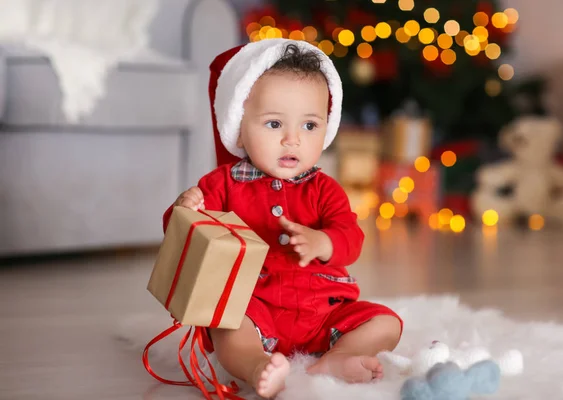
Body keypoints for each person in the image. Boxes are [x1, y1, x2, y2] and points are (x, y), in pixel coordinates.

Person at [162, 39, 403, 399]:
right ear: (239, 129)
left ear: (327, 128)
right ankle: (257, 365)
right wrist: (185, 206)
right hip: (255, 305)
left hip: (324, 311)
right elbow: (183, 232)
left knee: (386, 323)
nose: (292, 140)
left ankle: (339, 356)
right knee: (226, 325)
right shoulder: (223, 185)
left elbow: (351, 238)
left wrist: (324, 242)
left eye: (309, 126)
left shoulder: (325, 190)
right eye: (274, 123)